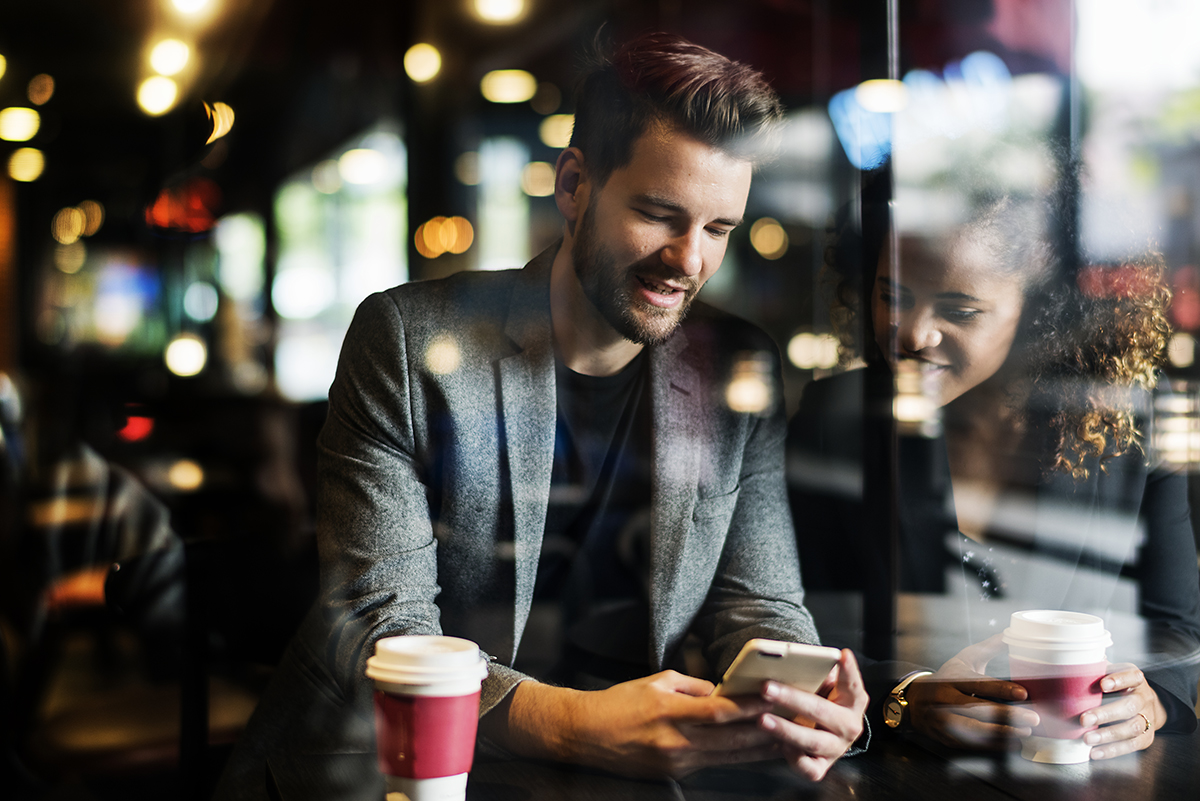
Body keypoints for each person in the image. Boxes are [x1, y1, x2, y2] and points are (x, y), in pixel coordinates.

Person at [216, 33, 866, 799]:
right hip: (389, 769)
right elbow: (385, 635)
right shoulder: (406, 340)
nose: (690, 259)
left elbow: (757, 599)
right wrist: (587, 725)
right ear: (573, 184)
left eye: (719, 229)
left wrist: (800, 692)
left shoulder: (735, 364)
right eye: (660, 214)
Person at [787, 186, 1200, 759]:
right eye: (893, 296)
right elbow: (795, 624)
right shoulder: (833, 419)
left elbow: (1177, 631)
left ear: (1038, 312)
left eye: (959, 311)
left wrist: (1151, 700)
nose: (912, 335)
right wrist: (901, 697)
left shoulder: (1128, 429)